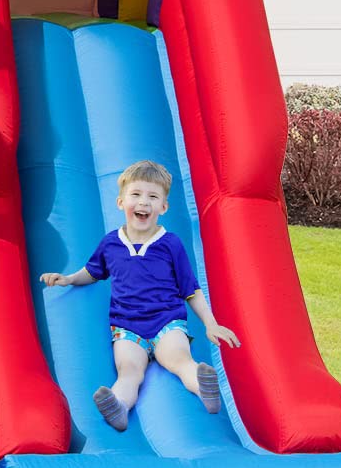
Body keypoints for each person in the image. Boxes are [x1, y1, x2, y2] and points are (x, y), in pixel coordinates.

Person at [40, 159, 241, 433]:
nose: (143, 202)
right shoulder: (111, 242)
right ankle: (119, 407)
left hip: (166, 323)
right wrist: (68, 279)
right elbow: (93, 271)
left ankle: (204, 387)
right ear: (121, 202)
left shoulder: (170, 244)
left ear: (163, 207)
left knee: (179, 359)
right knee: (129, 370)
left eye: (153, 196)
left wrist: (210, 323)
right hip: (127, 327)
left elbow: (190, 289)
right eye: (136, 194)